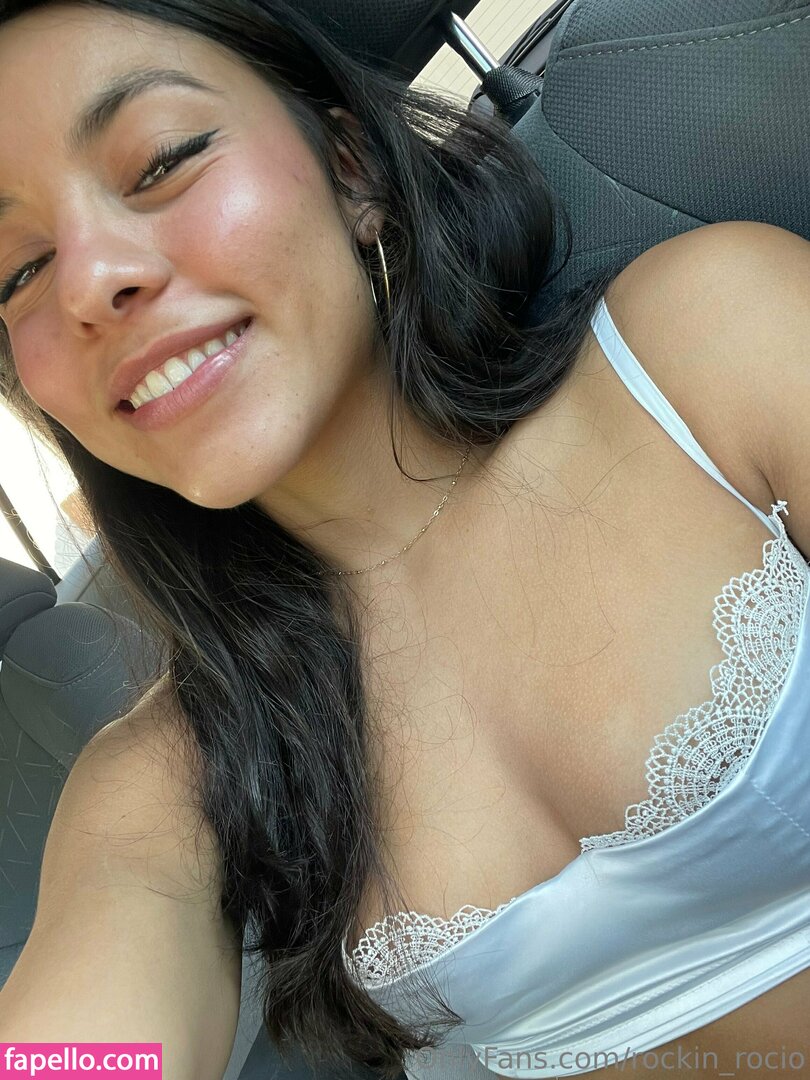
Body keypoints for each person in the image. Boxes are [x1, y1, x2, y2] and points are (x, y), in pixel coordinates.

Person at [0, 2, 808, 1078]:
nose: (91, 284)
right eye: (17, 272)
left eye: (163, 162)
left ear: (351, 170)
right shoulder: (171, 775)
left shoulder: (706, 344)